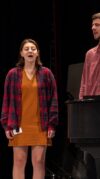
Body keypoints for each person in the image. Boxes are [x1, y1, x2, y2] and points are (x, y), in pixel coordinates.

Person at [1, 38, 58, 179]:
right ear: (21, 53)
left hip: (41, 125)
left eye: (33, 48)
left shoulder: (46, 74)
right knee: (19, 161)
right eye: (26, 49)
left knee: (39, 162)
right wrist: (6, 125)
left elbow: (53, 100)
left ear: (38, 53)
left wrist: (52, 124)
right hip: (18, 124)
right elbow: (6, 100)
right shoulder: (13, 74)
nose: (30, 51)